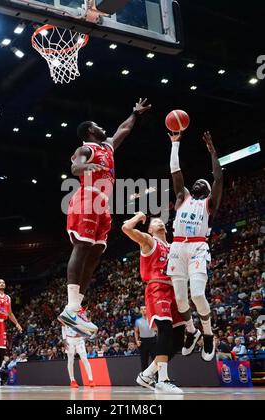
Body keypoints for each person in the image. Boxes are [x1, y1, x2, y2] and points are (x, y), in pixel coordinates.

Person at [58, 98, 151, 334]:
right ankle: (70, 306)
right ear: (90, 130)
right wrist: (86, 168)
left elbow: (124, 130)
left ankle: (76, 309)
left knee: (96, 252)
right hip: (87, 197)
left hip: (103, 204)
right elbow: (75, 168)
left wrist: (134, 113)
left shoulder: (107, 146)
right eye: (98, 125)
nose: (103, 128)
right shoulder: (85, 149)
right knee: (82, 246)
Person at [167, 131, 223, 361]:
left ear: (209, 192)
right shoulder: (183, 197)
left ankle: (208, 334)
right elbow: (175, 171)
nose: (200, 181)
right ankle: (192, 331)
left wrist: (212, 152)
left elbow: (218, 178)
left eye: (204, 182)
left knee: (198, 295)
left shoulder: (209, 205)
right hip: (177, 248)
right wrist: (175, 143)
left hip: (198, 247)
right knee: (180, 299)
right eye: (197, 181)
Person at [122, 212, 185, 394]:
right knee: (164, 330)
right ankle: (163, 380)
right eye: (155, 222)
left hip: (174, 290)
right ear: (149, 229)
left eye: (161, 221)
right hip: (157, 288)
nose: (160, 223)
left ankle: (147, 374)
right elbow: (126, 228)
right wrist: (139, 216)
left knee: (178, 340)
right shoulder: (149, 241)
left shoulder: (173, 246)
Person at [134, 306, 157, 371]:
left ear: (148, 310)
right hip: (143, 342)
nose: (143, 310)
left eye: (145, 309)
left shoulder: (152, 319)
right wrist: (137, 341)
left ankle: (158, 378)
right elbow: (136, 331)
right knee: (144, 361)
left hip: (153, 341)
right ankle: (145, 379)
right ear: (140, 311)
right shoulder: (137, 321)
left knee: (155, 361)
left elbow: (157, 329)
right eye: (142, 309)